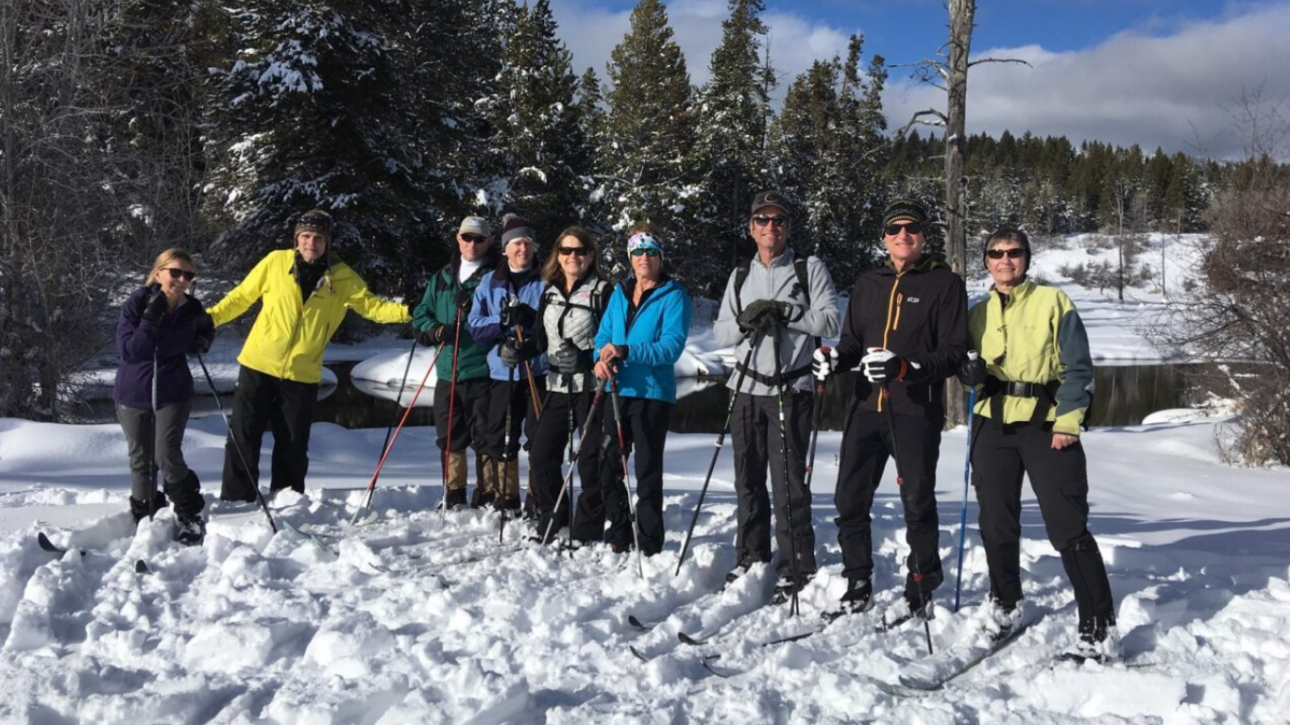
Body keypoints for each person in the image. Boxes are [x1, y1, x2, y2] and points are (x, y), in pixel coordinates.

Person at [959, 226, 1118, 662]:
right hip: (993, 423)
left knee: (1067, 525)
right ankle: (1006, 603)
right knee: (996, 521)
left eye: (1014, 252)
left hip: (1047, 423)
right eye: (996, 253)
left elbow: (1078, 368)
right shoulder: (977, 313)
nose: (1005, 260)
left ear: (1026, 258)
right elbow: (968, 367)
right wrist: (967, 374)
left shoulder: (1053, 301)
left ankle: (1099, 628)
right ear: (986, 260)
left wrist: (1069, 422)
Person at [812, 199, 967, 623]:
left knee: (916, 501)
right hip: (865, 405)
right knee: (849, 499)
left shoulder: (944, 283)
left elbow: (953, 353)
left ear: (924, 235)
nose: (903, 235)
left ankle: (920, 588)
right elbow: (852, 344)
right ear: (883, 237)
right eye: (895, 228)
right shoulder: (868, 283)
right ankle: (858, 582)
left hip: (915, 409)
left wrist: (905, 368)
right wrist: (834, 359)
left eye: (912, 228)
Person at [206, 209, 412, 501]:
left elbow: (373, 307)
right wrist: (208, 319)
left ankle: (287, 499)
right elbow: (241, 297)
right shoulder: (275, 262)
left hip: (302, 373)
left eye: (318, 237)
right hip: (258, 364)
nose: (310, 242)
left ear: (327, 242)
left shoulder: (342, 277)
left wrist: (409, 311)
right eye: (305, 236)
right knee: (243, 435)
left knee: (293, 441)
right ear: (296, 239)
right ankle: (238, 498)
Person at [714, 191, 839, 601]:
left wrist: (788, 313)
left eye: (779, 220)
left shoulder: (808, 268)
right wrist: (746, 322)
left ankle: (796, 565)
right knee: (747, 480)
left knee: (789, 483)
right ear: (751, 228)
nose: (771, 227)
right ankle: (751, 556)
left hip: (791, 390)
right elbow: (721, 333)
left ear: (788, 227)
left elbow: (831, 321)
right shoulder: (739, 275)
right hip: (745, 389)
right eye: (763, 220)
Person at [573, 224, 692, 555]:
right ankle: (619, 531)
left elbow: (670, 348)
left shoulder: (674, 295)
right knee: (608, 463)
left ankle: (650, 542)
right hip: (617, 389)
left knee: (647, 471)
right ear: (630, 257)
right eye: (638, 252)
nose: (644, 258)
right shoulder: (620, 293)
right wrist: (600, 360)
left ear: (660, 257)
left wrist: (626, 351)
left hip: (652, 394)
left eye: (651, 251)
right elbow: (603, 337)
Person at [114, 248, 215, 544]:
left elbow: (207, 326)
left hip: (174, 391)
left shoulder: (191, 308)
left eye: (189, 275)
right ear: (158, 273)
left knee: (166, 454)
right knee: (141, 459)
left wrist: (202, 340)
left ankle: (189, 511)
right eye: (176, 272)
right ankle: (146, 513)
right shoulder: (137, 303)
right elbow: (130, 352)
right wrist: (151, 317)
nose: (182, 279)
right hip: (133, 392)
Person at [528, 226, 612, 541]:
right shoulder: (549, 291)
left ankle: (587, 528)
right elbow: (540, 339)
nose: (572, 257)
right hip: (557, 385)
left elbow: (613, 341)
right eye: (566, 250)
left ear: (590, 255)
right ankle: (554, 516)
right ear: (558, 255)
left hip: (592, 387)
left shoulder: (603, 291)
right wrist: (519, 349)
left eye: (579, 251)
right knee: (541, 455)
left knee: (590, 459)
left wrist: (586, 357)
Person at [412, 216, 498, 510]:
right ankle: (454, 493)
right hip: (448, 372)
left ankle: (487, 495)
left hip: (483, 371)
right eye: (467, 237)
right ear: (458, 239)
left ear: (489, 242)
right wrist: (438, 331)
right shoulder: (442, 277)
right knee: (450, 437)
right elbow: (421, 314)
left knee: (485, 437)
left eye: (479, 239)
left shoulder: (496, 276)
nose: (472, 244)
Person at [466, 214, 548, 514]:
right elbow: (475, 327)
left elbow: (555, 324)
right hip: (502, 372)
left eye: (527, 243)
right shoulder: (491, 281)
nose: (522, 249)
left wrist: (531, 322)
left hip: (538, 371)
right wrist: (501, 322)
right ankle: (506, 496)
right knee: (500, 435)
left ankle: (537, 497)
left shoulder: (547, 280)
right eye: (516, 243)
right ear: (505, 248)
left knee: (539, 437)